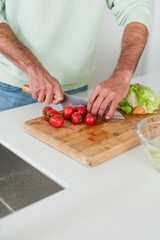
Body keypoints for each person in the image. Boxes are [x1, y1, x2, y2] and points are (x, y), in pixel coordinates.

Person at [0, 0, 152, 118]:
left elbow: (137, 9)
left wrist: (122, 74)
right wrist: (32, 68)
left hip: (76, 91)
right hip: (13, 88)